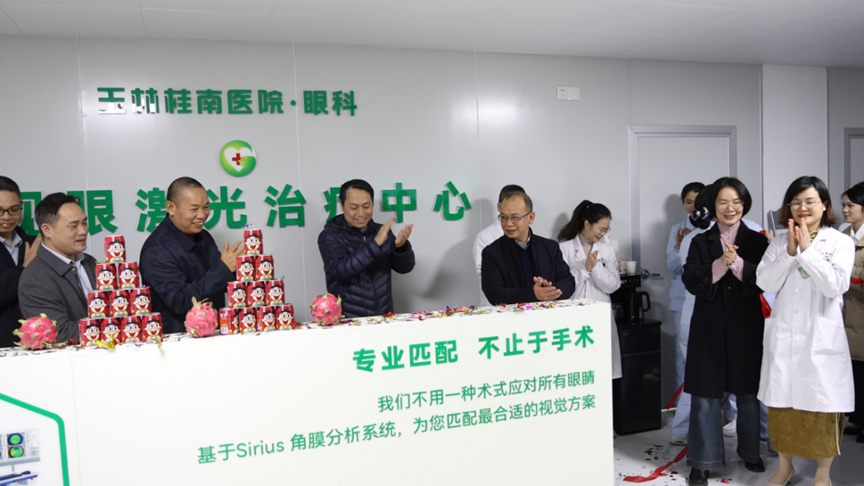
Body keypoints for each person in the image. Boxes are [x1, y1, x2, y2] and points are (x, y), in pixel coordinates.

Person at [757, 176, 854, 486]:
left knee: (822, 409)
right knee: (782, 408)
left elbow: (835, 286)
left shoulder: (839, 242)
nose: (803, 207)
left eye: (810, 201)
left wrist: (808, 250)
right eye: (796, 202)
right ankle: (785, 468)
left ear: (824, 205)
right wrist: (789, 253)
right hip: (785, 335)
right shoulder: (778, 242)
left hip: (820, 338)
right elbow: (764, 282)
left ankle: (823, 474)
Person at [682, 177, 769, 486]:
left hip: (746, 326)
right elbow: (691, 280)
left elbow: (765, 280)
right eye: (722, 202)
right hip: (708, 327)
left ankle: (750, 452)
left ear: (744, 205)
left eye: (736, 202)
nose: (730, 208)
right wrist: (720, 263)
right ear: (713, 206)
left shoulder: (758, 241)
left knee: (747, 393)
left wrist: (738, 264)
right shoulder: (699, 241)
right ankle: (702, 462)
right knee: (705, 395)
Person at [140, 177, 244, 334]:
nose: (202, 215)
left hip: (215, 333)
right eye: (194, 209)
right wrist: (224, 268)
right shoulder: (156, 250)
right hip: (179, 339)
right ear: (171, 207)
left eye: (206, 207)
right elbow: (180, 300)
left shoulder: (204, 237)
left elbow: (219, 282)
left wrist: (244, 269)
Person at [317, 179, 415, 318]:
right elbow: (340, 270)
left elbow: (405, 268)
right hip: (348, 319)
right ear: (342, 205)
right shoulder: (329, 235)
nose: (361, 213)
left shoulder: (382, 231)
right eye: (354, 207)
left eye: (366, 206)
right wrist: (374, 245)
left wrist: (400, 247)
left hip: (383, 316)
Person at [18, 193, 96, 343]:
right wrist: (112, 327)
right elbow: (58, 332)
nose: (83, 231)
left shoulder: (90, 262)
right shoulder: (35, 277)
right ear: (47, 230)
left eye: (84, 223)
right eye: (74, 226)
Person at [558, 200, 622, 379]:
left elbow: (613, 285)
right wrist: (585, 269)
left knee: (601, 370)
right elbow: (563, 287)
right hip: (573, 315)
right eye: (601, 229)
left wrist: (595, 268)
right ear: (587, 223)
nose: (603, 233)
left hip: (600, 315)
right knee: (576, 368)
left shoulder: (607, 251)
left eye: (606, 230)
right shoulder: (564, 249)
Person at [481, 192, 574, 305]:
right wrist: (532, 294)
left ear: (531, 217)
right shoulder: (492, 253)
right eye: (503, 217)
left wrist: (548, 289)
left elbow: (568, 282)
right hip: (513, 315)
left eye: (515, 218)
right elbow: (494, 293)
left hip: (548, 314)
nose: (508, 223)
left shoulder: (550, 247)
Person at [0, 176, 39, 347]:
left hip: (38, 344)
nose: (7, 217)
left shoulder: (34, 243)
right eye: (0, 211)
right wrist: (23, 269)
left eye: (14, 209)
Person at [840, 181, 864, 443]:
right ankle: (858, 418)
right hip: (846, 312)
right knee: (854, 368)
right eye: (844, 205)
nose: (845, 210)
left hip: (861, 310)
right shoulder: (843, 233)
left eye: (851, 205)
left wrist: (846, 278)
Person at [473, 184, 525, 306]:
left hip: (526, 304)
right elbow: (486, 276)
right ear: (499, 206)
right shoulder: (484, 238)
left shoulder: (531, 238)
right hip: (496, 306)